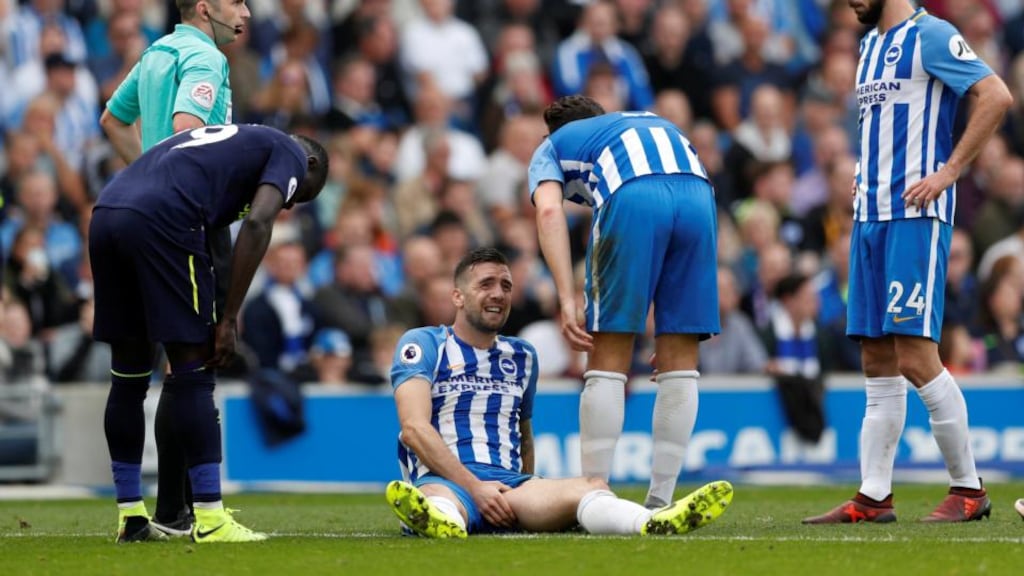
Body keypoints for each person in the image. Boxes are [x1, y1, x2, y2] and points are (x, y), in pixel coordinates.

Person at [803, 0, 1012, 524]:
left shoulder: (933, 35)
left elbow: (995, 95)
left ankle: (969, 489)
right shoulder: (870, 44)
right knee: (876, 357)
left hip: (915, 216)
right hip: (868, 216)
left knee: (917, 355)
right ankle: (874, 496)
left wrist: (949, 172)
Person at [385, 247, 732, 538]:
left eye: (506, 286)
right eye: (486, 284)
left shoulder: (522, 355)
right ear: (458, 296)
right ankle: (436, 519)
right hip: (448, 480)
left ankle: (652, 522)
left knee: (590, 486)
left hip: (510, 487)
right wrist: (475, 488)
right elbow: (414, 428)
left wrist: (524, 491)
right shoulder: (424, 343)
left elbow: (525, 434)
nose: (498, 294)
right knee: (437, 500)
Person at [89, 124, 328, 543]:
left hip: (107, 212)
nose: (288, 205)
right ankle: (212, 518)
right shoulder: (289, 150)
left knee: (128, 374)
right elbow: (257, 224)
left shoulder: (235, 142)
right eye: (299, 194)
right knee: (193, 370)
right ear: (308, 165)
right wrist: (230, 317)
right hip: (164, 220)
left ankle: (130, 516)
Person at [98, 0, 250, 537]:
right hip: (185, 221)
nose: (247, 13)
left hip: (133, 213)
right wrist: (174, 188)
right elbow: (189, 131)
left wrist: (144, 174)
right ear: (204, 8)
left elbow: (112, 119)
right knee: (191, 365)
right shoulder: (205, 58)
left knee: (134, 371)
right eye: (237, 2)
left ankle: (147, 513)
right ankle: (184, 510)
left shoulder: (157, 52)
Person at [529, 95, 720, 510]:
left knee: (609, 350)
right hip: (700, 194)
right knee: (680, 361)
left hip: (633, 194)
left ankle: (591, 494)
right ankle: (662, 499)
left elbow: (548, 212)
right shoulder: (647, 121)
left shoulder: (553, 145)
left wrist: (565, 297)